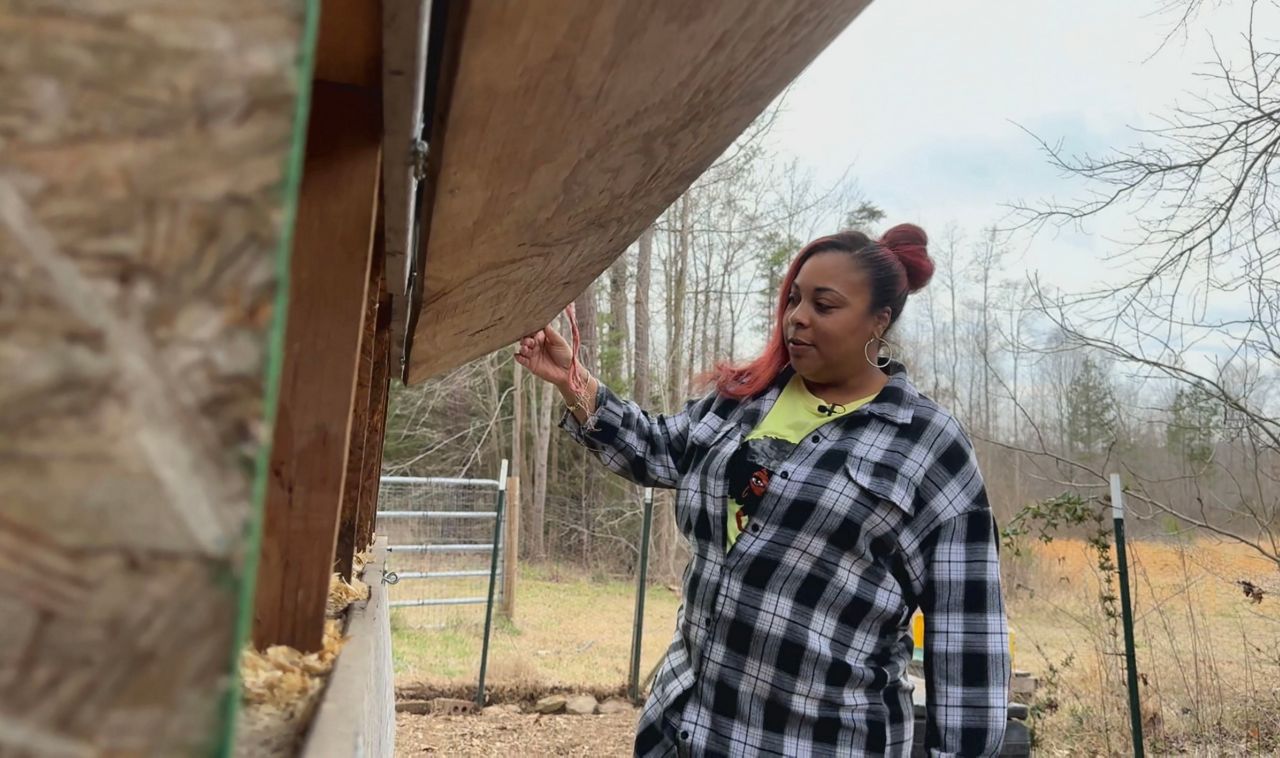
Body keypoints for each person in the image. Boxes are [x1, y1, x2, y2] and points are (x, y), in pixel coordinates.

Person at [515, 225, 1010, 757]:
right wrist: (574, 381)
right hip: (685, 732)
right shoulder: (746, 400)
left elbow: (967, 636)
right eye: (794, 298)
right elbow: (658, 448)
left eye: (825, 304)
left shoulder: (927, 443)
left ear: (879, 321)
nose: (797, 315)